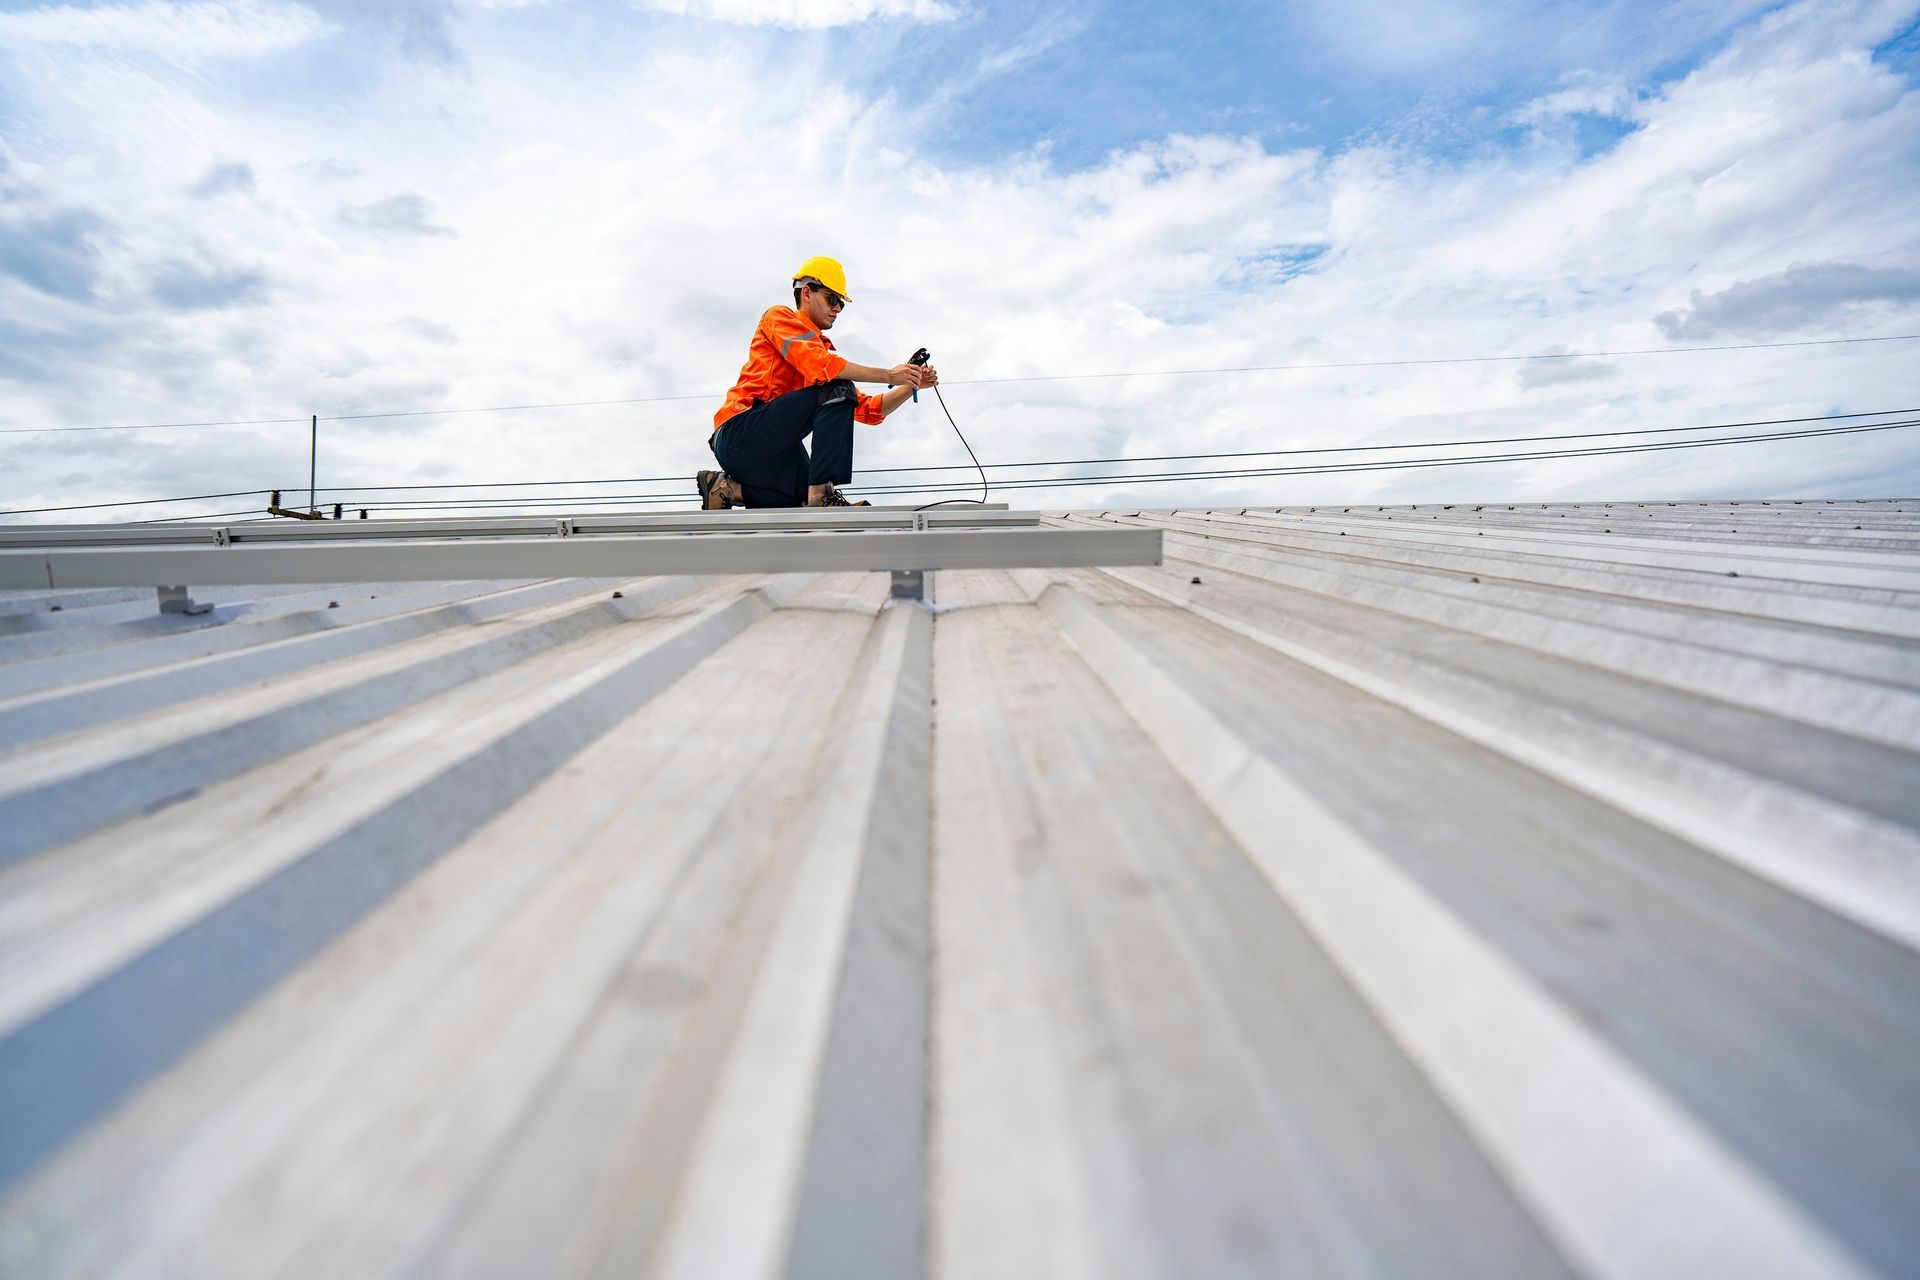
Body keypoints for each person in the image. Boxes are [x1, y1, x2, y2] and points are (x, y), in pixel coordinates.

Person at [698, 256, 937, 509]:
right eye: (832, 299)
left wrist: (909, 384)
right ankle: (822, 494)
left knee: (801, 500)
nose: (836, 308)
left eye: (841, 305)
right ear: (807, 293)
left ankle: (727, 490)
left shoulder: (823, 367)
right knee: (839, 387)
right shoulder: (779, 317)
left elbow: (870, 410)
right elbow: (822, 366)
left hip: (771, 451)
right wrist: (888, 375)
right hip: (739, 434)